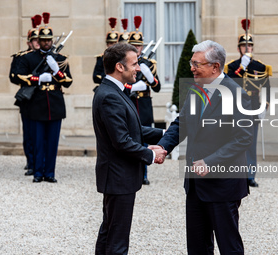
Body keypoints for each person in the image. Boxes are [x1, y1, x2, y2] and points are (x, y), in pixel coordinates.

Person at [155, 40, 253, 254]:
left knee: (229, 246)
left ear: (215, 67)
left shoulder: (236, 94)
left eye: (197, 64)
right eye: (192, 62)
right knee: (198, 247)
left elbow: (243, 138)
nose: (192, 68)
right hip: (195, 185)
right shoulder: (195, 89)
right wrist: (163, 147)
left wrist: (210, 162)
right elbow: (182, 123)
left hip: (223, 184)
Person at [92, 43, 166, 255]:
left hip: (118, 175)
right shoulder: (110, 96)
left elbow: (132, 127)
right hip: (118, 175)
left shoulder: (113, 91)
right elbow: (122, 141)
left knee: (109, 232)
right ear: (119, 67)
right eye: (134, 64)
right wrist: (151, 154)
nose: (138, 68)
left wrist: (166, 134)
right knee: (117, 239)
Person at [16, 12, 73, 183]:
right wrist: (38, 79)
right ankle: (38, 173)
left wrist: (57, 71)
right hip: (36, 103)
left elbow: (69, 81)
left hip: (54, 103)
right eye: (43, 40)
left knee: (52, 143)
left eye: (49, 40)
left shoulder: (61, 59)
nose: (47, 43)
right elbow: (19, 76)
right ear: (38, 40)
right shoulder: (29, 58)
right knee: (38, 141)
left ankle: (50, 173)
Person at [225, 19, 272, 187]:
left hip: (253, 107)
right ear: (239, 48)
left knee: (251, 143)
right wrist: (241, 68)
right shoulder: (232, 67)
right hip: (236, 108)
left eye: (250, 46)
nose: (247, 49)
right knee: (235, 140)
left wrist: (264, 107)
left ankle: (250, 174)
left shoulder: (260, 66)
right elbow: (228, 84)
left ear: (253, 48)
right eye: (244, 46)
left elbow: (266, 88)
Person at [128, 16, 161, 185]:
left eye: (139, 45)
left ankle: (144, 173)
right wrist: (132, 87)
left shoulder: (149, 63)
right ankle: (132, 172)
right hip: (130, 103)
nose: (137, 48)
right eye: (133, 46)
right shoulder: (125, 63)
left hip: (144, 105)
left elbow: (157, 87)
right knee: (131, 139)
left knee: (145, 139)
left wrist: (149, 76)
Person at [9, 14, 41, 176]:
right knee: (29, 132)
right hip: (28, 99)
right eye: (34, 40)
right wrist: (32, 79)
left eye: (39, 40)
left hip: (43, 98)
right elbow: (13, 76)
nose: (37, 42)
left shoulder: (48, 57)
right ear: (29, 42)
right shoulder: (20, 57)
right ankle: (31, 161)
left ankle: (41, 162)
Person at [92, 17, 119, 90]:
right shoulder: (101, 58)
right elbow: (95, 77)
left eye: (114, 43)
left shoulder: (121, 58)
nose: (112, 45)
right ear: (107, 44)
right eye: (110, 43)